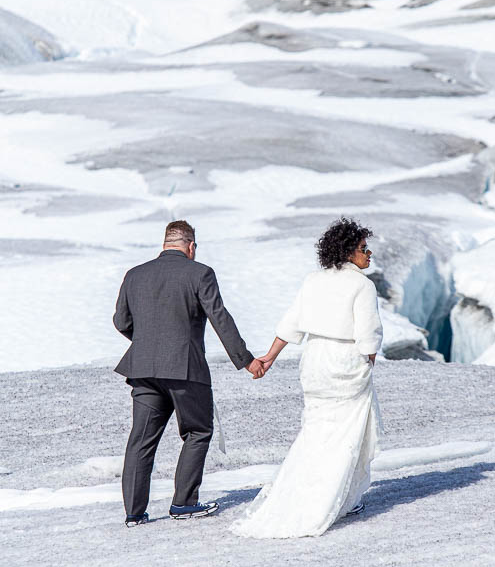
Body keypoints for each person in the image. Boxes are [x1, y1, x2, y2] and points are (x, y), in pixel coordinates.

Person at [231, 217, 383, 539]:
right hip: (345, 360)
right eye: (363, 249)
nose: (369, 254)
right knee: (346, 435)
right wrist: (368, 360)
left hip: (314, 360)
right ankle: (338, 499)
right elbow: (368, 334)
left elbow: (291, 323)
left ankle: (302, 494)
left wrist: (268, 357)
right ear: (347, 252)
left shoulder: (314, 280)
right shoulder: (362, 285)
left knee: (316, 431)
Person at [113, 219, 264, 527]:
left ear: (165, 243)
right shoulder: (200, 273)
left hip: (142, 369)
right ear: (191, 246)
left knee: (140, 440)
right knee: (197, 431)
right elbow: (219, 318)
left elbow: (121, 321)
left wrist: (147, 343)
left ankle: (134, 513)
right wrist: (246, 360)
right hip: (185, 368)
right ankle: (183, 503)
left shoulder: (134, 275)